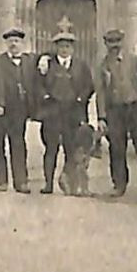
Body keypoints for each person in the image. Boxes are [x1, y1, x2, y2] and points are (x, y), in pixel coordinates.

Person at [95, 29, 137, 198]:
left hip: (135, 108)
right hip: (115, 111)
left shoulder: (134, 60)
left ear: (122, 42)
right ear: (106, 44)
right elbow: (100, 92)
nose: (114, 46)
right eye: (110, 42)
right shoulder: (103, 65)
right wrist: (101, 117)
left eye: (117, 42)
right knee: (116, 148)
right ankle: (119, 185)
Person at [36, 30, 95, 195]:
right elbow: (38, 83)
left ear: (73, 49)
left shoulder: (81, 65)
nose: (64, 50)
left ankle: (70, 183)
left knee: (71, 149)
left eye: (67, 46)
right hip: (52, 113)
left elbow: (89, 86)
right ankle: (48, 184)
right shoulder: (47, 64)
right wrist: (45, 96)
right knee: (51, 149)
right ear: (56, 48)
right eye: (61, 46)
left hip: (73, 114)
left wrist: (80, 99)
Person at [0, 27, 35, 193]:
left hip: (20, 110)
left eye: (16, 41)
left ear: (22, 43)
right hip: (2, 108)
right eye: (10, 41)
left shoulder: (29, 61)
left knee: (18, 144)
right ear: (6, 43)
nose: (13, 44)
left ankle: (21, 181)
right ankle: (2, 181)